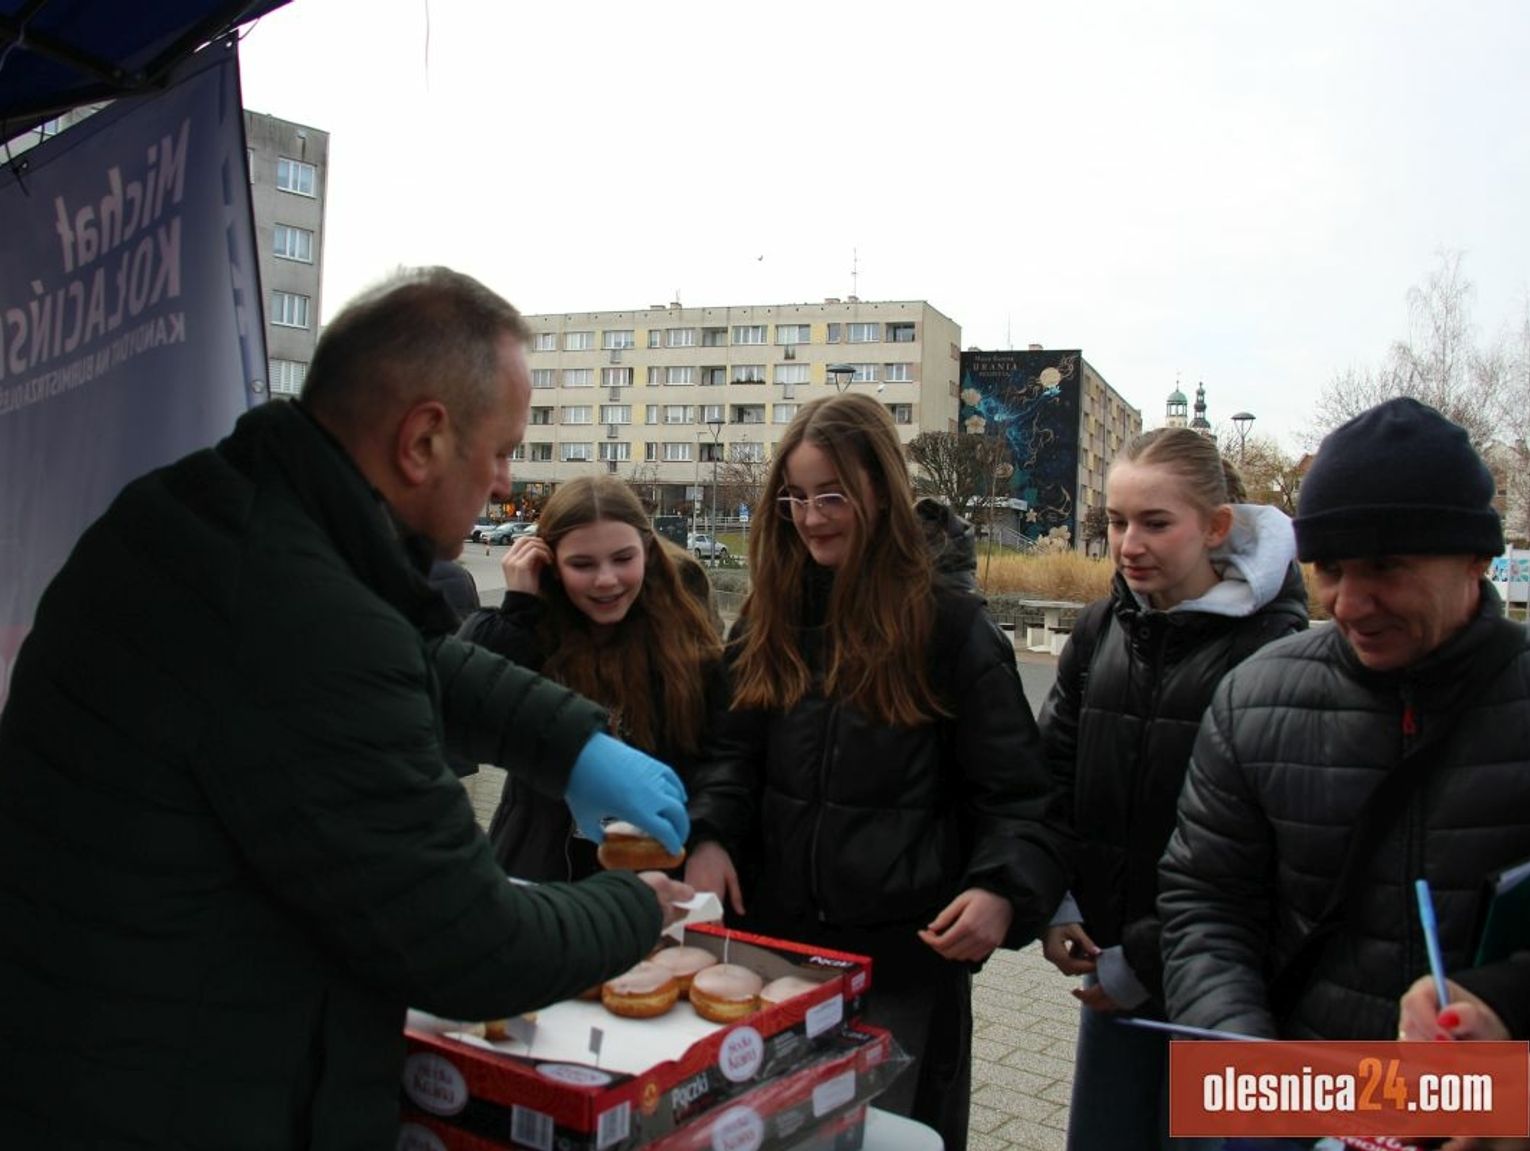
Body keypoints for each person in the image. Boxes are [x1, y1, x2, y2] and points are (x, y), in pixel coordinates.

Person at [0, 268, 695, 1151]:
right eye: (502, 449)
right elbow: (468, 942)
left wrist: (571, 743)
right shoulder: (295, 604)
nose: (504, 481)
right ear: (423, 441)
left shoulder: (219, 518)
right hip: (177, 1101)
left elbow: (409, 658)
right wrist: (634, 905)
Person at [683, 393, 1068, 1151]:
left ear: (879, 493)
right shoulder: (768, 616)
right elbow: (728, 753)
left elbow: (1022, 800)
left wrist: (1000, 889)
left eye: (834, 495)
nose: (813, 516)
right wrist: (710, 833)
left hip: (903, 968)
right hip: (771, 957)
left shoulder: (951, 628)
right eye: (797, 496)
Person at [1157, 397, 1530, 1048]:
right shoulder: (1252, 697)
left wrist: (1507, 1003)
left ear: (1476, 557)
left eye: (1385, 566)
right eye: (1330, 567)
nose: (1349, 604)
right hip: (1299, 1100)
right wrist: (1242, 1062)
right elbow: (1204, 902)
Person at [1038, 427, 1308, 1150]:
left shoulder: (1274, 652)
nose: (1129, 543)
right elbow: (1050, 776)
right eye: (1117, 522)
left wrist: (1145, 959)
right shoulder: (1103, 629)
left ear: (1217, 526)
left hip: (1226, 990)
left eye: (1155, 522)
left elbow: (1264, 855)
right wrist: (1054, 898)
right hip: (1110, 969)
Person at [460, 474, 724, 881]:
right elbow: (466, 711)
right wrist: (517, 609)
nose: (606, 580)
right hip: (542, 868)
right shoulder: (534, 627)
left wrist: (711, 839)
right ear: (550, 562)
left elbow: (720, 755)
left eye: (623, 559)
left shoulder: (684, 631)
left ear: (647, 551)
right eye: (582, 564)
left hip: (655, 872)